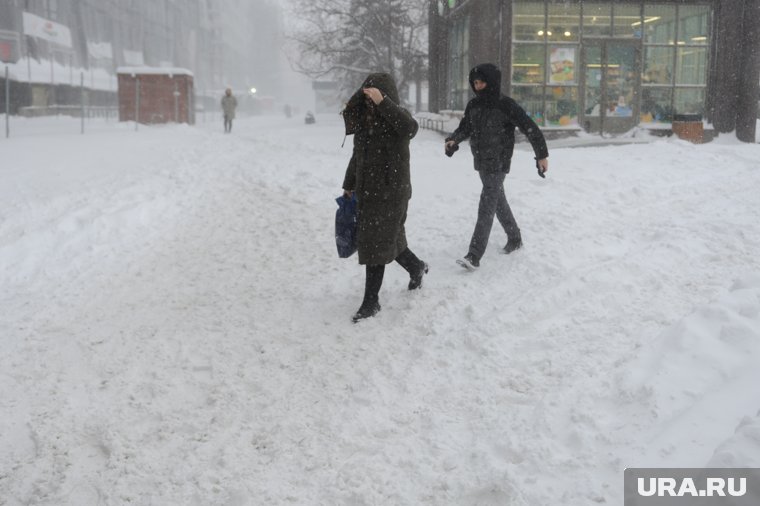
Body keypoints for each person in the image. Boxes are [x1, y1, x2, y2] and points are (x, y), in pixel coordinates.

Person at [445, 63, 549, 271]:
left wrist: (541, 155)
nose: (478, 86)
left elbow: (530, 128)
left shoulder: (506, 105)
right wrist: (454, 140)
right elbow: (466, 127)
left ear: (491, 82)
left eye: (482, 82)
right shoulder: (474, 105)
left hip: (499, 162)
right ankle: (515, 237)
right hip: (482, 161)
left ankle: (474, 254)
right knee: (497, 200)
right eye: (475, 82)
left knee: (487, 204)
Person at [341, 72, 428, 322]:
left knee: (375, 243)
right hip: (368, 192)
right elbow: (357, 157)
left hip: (392, 194)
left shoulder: (398, 120)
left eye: (375, 97)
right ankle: (416, 267)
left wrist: (383, 102)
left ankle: (371, 302)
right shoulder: (365, 123)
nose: (370, 103)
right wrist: (349, 184)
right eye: (367, 98)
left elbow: (411, 128)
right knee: (389, 240)